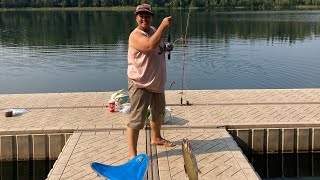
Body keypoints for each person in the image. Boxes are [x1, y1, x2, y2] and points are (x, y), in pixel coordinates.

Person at [127, 3, 175, 160]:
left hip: (157, 82)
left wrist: (166, 47)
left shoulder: (153, 31)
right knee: (137, 118)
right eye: (141, 15)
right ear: (136, 18)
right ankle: (132, 153)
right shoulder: (135, 35)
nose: (144, 18)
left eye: (147, 16)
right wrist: (163, 26)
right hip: (140, 83)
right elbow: (148, 46)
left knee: (158, 111)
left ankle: (156, 138)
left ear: (151, 17)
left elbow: (156, 46)